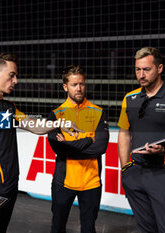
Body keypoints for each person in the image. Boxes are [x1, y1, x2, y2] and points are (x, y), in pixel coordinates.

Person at [0, 53, 82, 233]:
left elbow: (34, 126)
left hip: (10, 187)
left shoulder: (8, 107)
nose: (16, 80)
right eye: (12, 75)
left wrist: (60, 123)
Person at [117, 47, 165, 233]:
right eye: (138, 69)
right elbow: (124, 133)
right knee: (146, 229)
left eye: (146, 69)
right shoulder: (130, 98)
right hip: (135, 174)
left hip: (164, 175)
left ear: (159, 68)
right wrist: (124, 167)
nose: (141, 74)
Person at [47, 65, 109, 233]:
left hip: (91, 182)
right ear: (65, 87)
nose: (79, 88)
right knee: (57, 227)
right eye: (74, 85)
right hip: (63, 182)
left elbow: (101, 147)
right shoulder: (56, 115)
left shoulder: (98, 112)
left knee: (89, 228)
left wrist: (69, 145)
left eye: (81, 84)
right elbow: (58, 149)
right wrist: (88, 140)